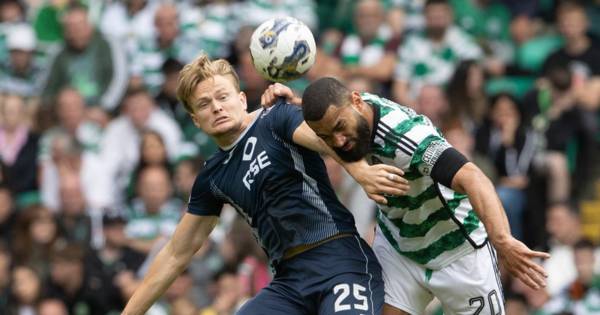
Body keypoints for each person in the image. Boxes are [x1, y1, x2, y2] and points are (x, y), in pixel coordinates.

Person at [122, 54, 408, 315]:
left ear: (242, 99)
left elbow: (323, 138)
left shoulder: (275, 117)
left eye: (222, 96)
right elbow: (175, 253)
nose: (217, 107)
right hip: (288, 282)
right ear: (196, 120)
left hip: (340, 261)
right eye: (204, 104)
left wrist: (360, 172)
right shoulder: (213, 177)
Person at [263, 77, 551, 315]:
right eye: (327, 137)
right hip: (400, 250)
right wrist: (292, 102)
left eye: (340, 128)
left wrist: (502, 240)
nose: (338, 141)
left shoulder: (406, 137)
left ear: (357, 101)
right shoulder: (342, 112)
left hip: (458, 252)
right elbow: (326, 110)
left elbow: (473, 177)